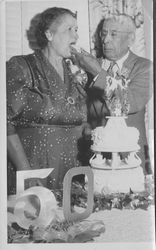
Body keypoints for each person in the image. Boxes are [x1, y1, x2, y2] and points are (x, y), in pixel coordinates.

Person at [7, 7, 89, 195]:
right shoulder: (22, 66)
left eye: (76, 29)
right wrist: (25, 172)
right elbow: (5, 123)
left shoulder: (77, 72)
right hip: (34, 170)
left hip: (73, 173)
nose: (75, 37)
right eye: (69, 29)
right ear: (49, 34)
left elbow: (84, 121)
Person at [71, 14, 153, 175]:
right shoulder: (88, 66)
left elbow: (131, 102)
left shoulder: (144, 67)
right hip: (95, 159)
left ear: (130, 39)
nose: (106, 40)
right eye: (103, 33)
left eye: (113, 34)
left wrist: (97, 73)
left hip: (130, 160)